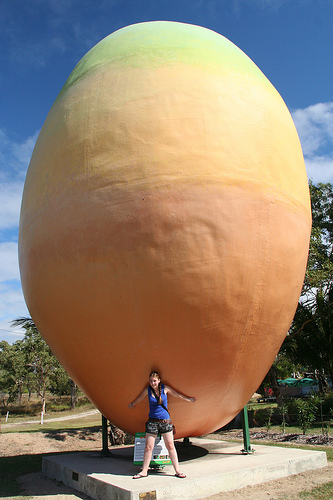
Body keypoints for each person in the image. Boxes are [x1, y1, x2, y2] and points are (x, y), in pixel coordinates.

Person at [128, 370, 196, 479]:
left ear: (159, 381)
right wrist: (132, 404)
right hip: (152, 422)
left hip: (165, 422)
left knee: (170, 446)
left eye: (154, 381)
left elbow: (177, 394)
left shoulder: (165, 389)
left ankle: (178, 471)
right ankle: (144, 471)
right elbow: (139, 399)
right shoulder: (148, 390)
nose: (152, 383)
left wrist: (188, 399)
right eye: (151, 381)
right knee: (148, 447)